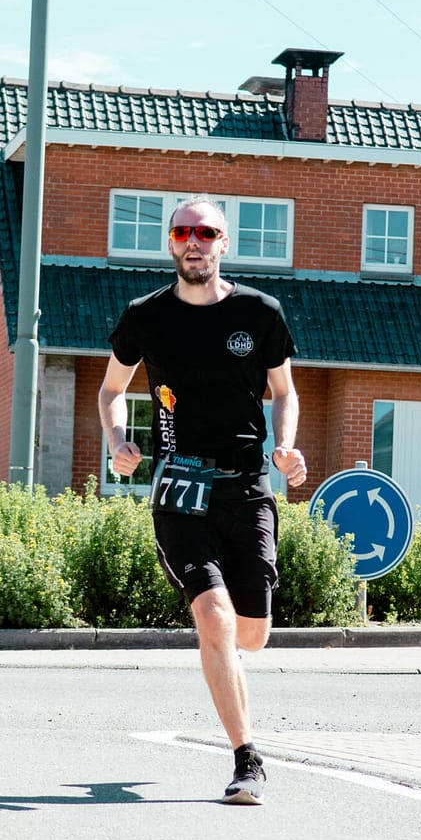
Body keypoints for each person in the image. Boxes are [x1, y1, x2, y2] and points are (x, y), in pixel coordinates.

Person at [98, 196, 307, 806]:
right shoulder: (145, 316)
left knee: (253, 635)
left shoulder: (259, 313)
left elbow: (285, 390)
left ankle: (229, 666)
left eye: (206, 232)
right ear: (170, 243)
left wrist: (286, 444)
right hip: (180, 487)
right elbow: (111, 389)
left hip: (246, 485)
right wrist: (117, 439)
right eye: (183, 232)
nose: (194, 242)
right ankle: (247, 759)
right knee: (213, 617)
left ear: (223, 243)